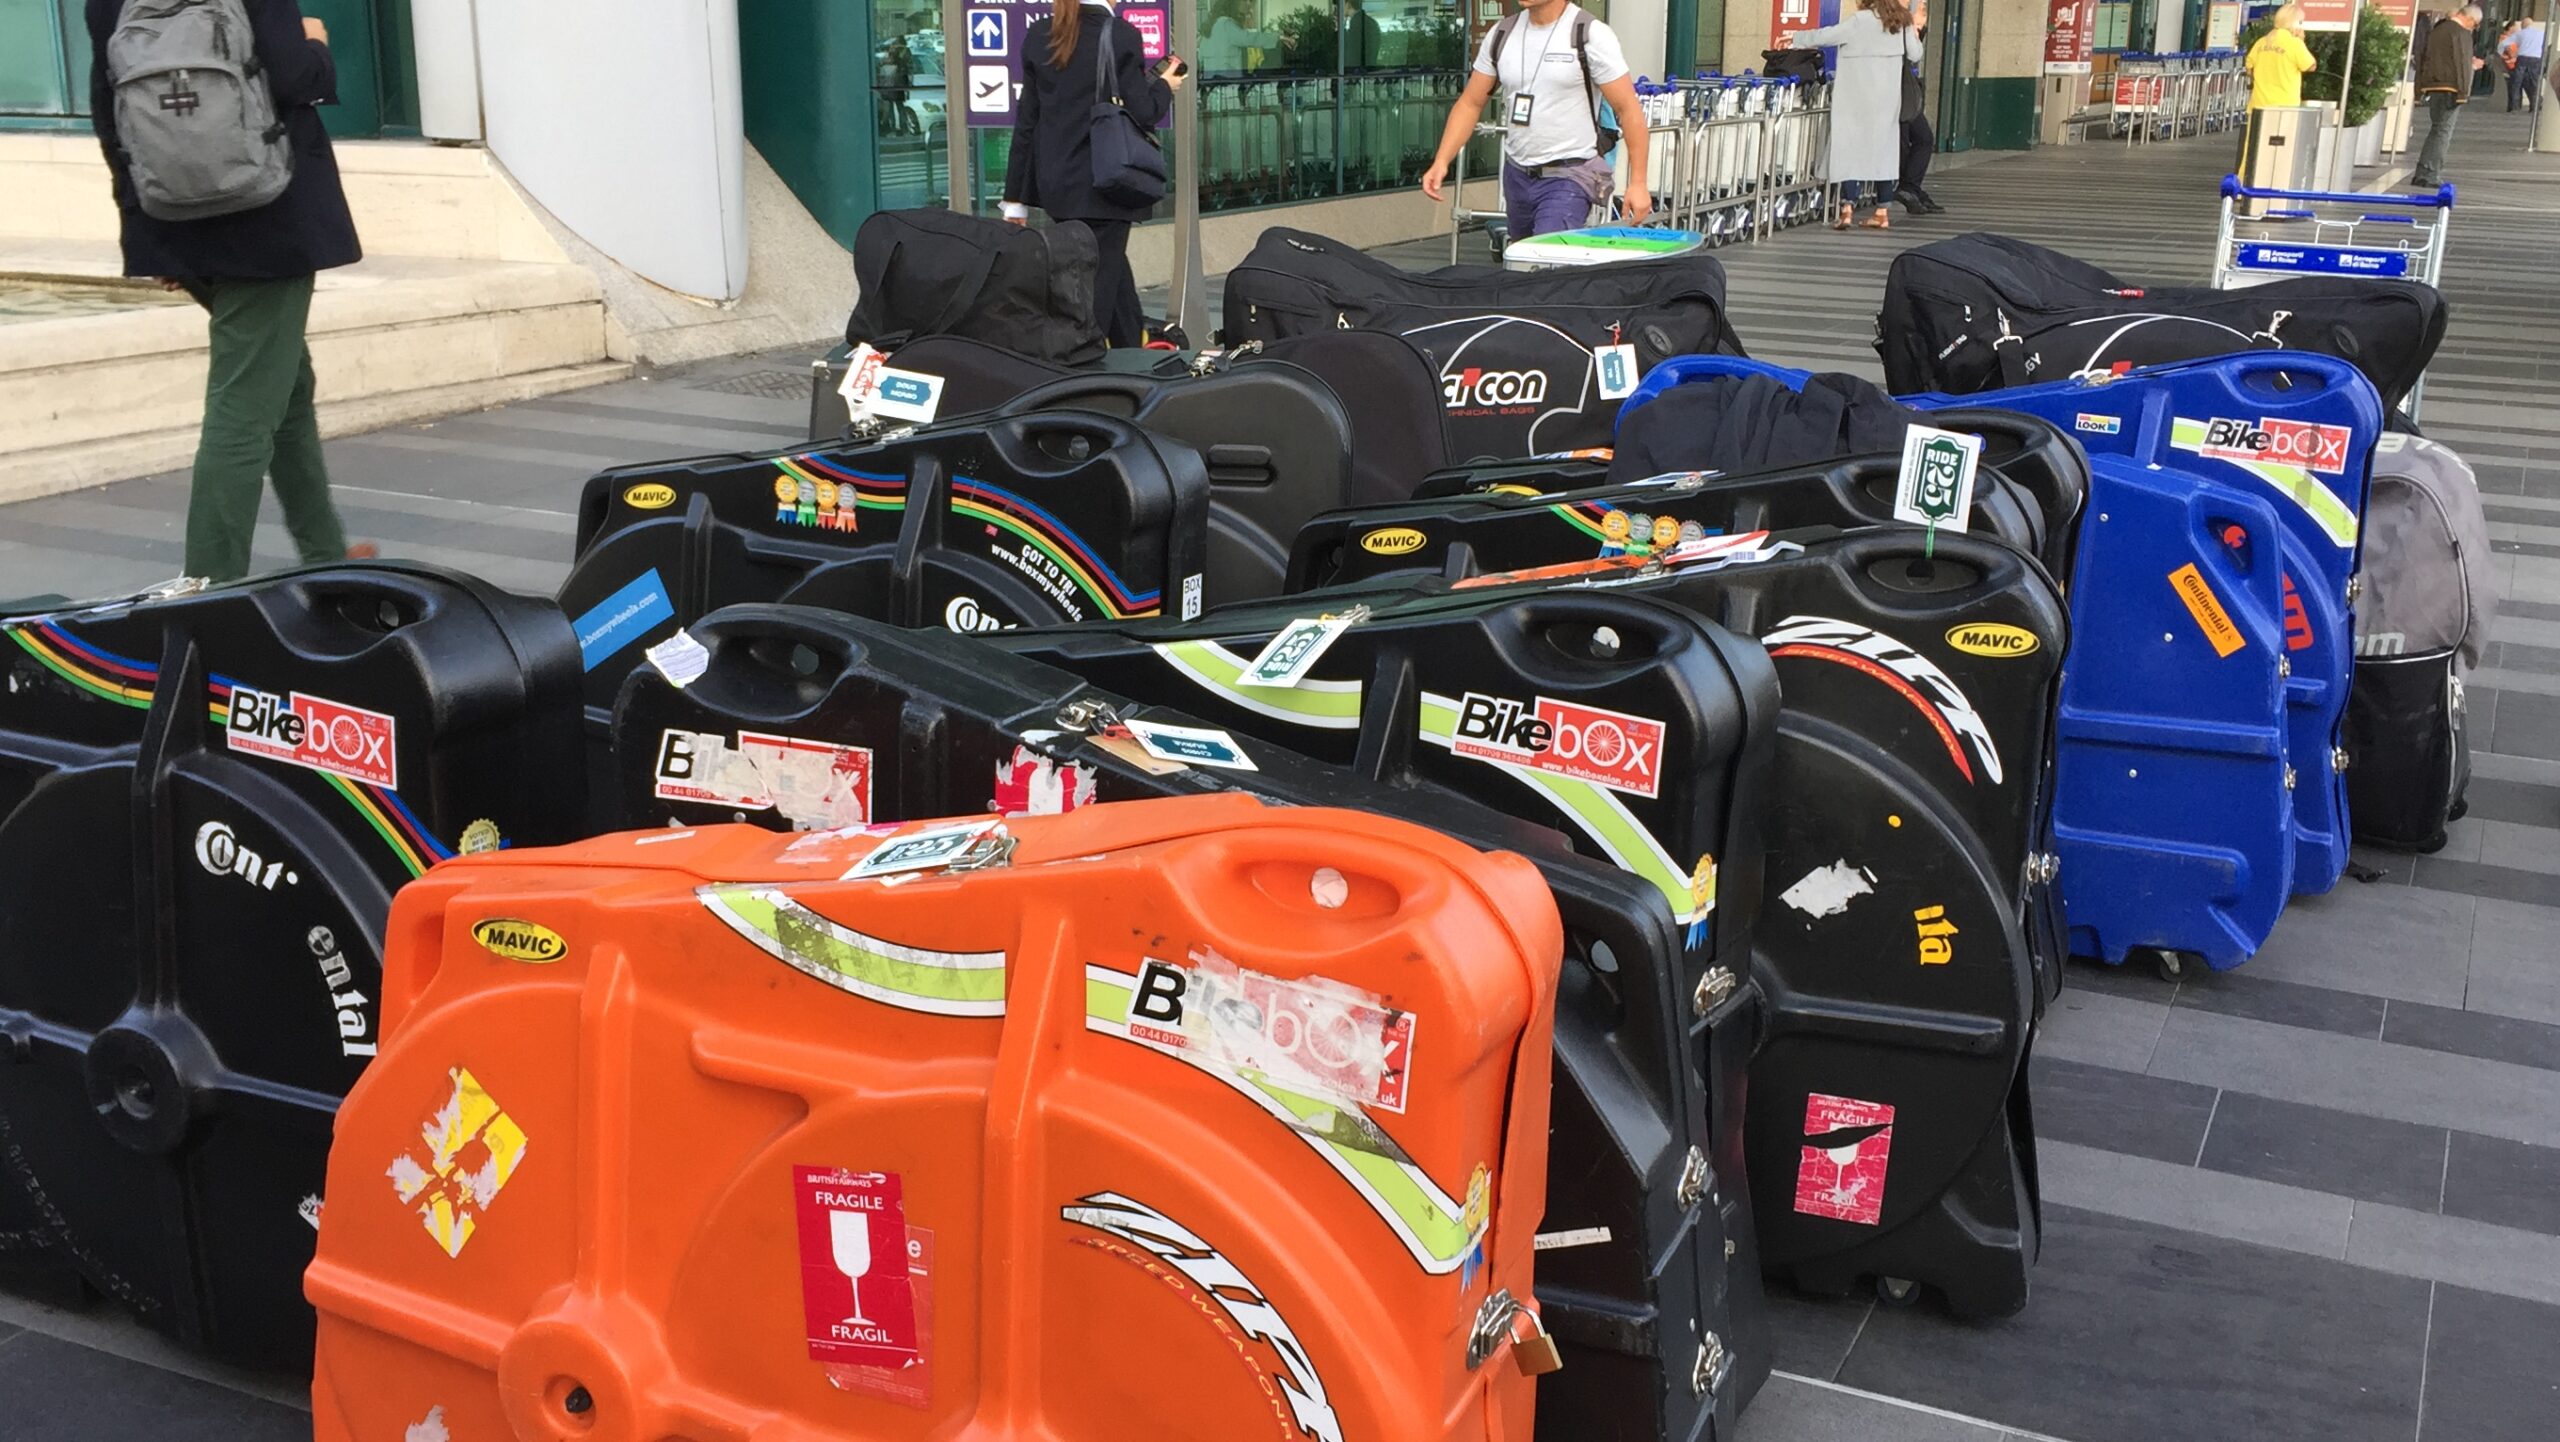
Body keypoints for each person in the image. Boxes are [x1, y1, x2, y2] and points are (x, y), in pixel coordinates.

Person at [86, 0, 373, 583]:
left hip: (173, 214)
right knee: (242, 408)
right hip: (268, 214)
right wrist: (315, 42)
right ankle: (206, 592)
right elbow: (298, 78)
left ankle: (323, 554)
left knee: (284, 380)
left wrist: (151, 233)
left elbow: (108, 113)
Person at [1002, 0, 1184, 348]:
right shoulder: (1120, 34)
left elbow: (1027, 121)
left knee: (1113, 277)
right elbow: (1143, 111)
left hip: (1057, 188)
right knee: (1094, 295)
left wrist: (1015, 201)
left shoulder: (1041, 35)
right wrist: (1165, 86)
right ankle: (1083, 370)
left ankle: (1133, 354)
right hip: (1108, 184)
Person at [1419, 0, 1653, 241]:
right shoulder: (1502, 34)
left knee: (1545, 261)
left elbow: (1628, 110)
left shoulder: (1589, 33)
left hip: (1569, 175)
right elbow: (1470, 103)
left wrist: (1638, 183)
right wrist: (1442, 160)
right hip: (1517, 173)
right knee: (1523, 266)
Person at [1792, 0, 1924, 230]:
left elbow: (1827, 35)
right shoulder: (1900, 23)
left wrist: (1796, 38)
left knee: (1848, 149)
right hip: (1886, 101)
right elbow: (1915, 54)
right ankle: (1882, 212)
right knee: (1884, 151)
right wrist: (1914, 28)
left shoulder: (1859, 21)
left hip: (1853, 98)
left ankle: (1846, 210)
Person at [2412, 3, 2485, 189]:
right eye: (2475, 25)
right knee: (2443, 132)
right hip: (2451, 88)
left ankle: (2423, 171)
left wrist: (2420, 87)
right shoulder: (2460, 34)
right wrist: (2465, 87)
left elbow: (2424, 56)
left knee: (2437, 129)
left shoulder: (2438, 30)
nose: (2474, 29)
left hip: (2434, 85)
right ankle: (2430, 174)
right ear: (2470, 19)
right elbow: (2461, 65)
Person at [2241, 2, 2317, 171]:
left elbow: (2249, 67)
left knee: (2252, 148)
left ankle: (2244, 185)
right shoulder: (2294, 43)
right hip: (2285, 105)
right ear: (2295, 23)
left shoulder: (2262, 42)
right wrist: (2301, 40)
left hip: (2258, 104)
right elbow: (2311, 65)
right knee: (2281, 150)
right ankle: (2275, 186)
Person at [1896, 22, 1940, 215]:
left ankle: (1911, 188)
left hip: (1905, 92)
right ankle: (1910, 189)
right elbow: (1914, 54)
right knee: (1914, 141)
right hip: (1898, 92)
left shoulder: (1907, 27)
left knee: (1919, 140)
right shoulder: (1898, 26)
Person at [1200, 0, 1280, 74]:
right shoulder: (1225, 24)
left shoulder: (1213, 25)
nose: (1249, 4)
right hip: (1228, 83)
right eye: (1245, 0)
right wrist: (1277, 38)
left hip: (1215, 83)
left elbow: (1200, 59)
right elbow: (1248, 38)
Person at [2501, 12, 2544, 112]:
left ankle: (2514, 107)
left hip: (2522, 59)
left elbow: (2505, 45)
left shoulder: (2520, 34)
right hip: (2536, 60)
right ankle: (2535, 106)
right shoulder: (2541, 33)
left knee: (2517, 83)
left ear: (2523, 26)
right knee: (2534, 84)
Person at [1341, 0, 1385, 72]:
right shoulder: (1369, 21)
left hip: (1359, 71)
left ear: (1348, 4)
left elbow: (1353, 51)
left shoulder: (1357, 22)